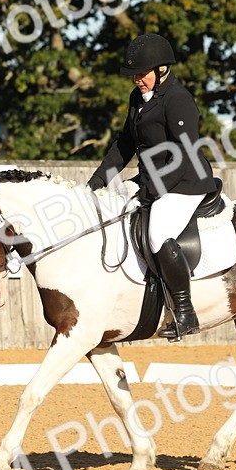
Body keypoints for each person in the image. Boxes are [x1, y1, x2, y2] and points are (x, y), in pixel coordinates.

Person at [87, 33, 217, 340]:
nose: (137, 80)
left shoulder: (178, 99)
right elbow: (125, 144)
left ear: (161, 70)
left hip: (185, 181)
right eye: (134, 75)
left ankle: (185, 312)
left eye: (142, 74)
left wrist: (149, 192)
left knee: (158, 232)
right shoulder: (138, 98)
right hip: (151, 181)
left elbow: (183, 152)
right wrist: (97, 181)